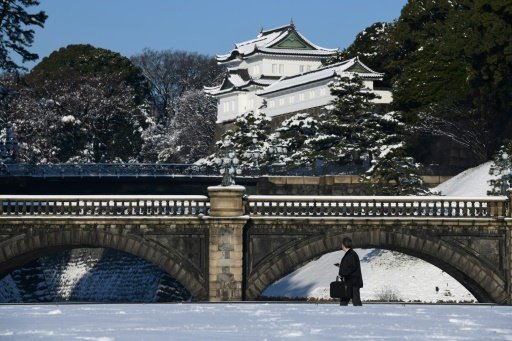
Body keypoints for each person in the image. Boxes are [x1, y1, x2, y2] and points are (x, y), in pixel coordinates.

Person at [336, 237, 363, 306]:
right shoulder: (351, 254)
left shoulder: (350, 254)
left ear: (344, 245)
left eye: (342, 244)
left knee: (355, 301)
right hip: (351, 282)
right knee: (345, 301)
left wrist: (341, 273)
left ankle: (361, 315)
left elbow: (351, 268)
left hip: (352, 283)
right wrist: (341, 266)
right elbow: (350, 266)